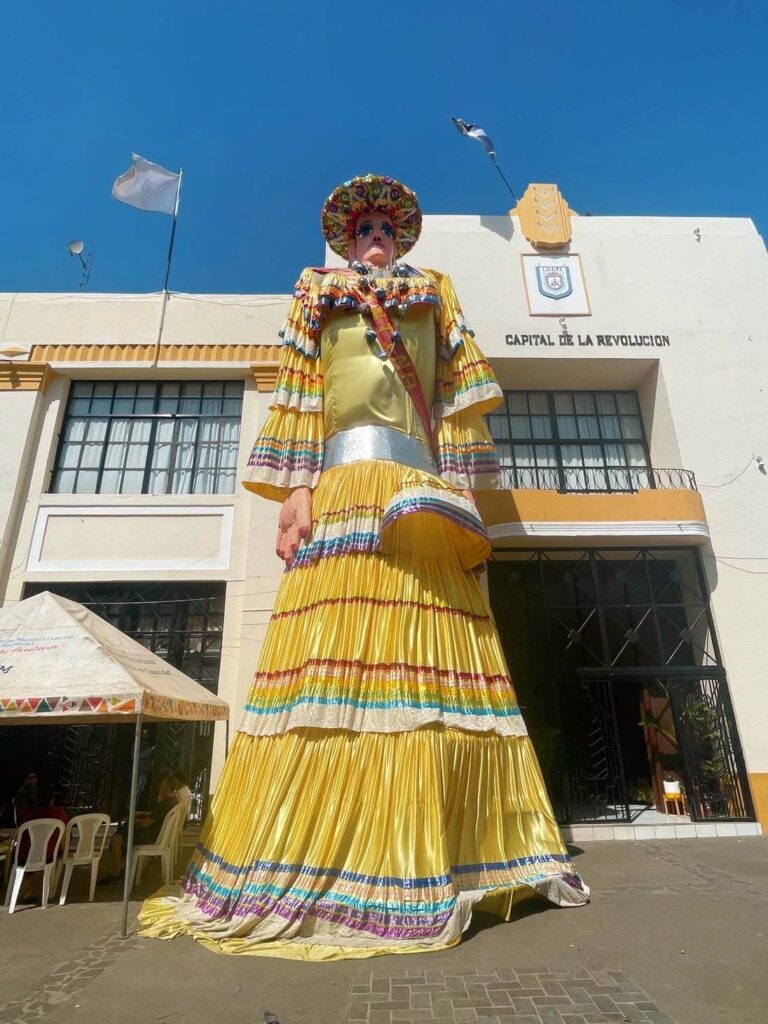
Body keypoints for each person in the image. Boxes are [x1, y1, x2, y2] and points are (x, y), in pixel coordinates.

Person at [140, 173, 588, 958]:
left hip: (417, 488)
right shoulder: (316, 296)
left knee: (426, 669)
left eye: (387, 225)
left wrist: (462, 499)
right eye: (363, 228)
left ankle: (436, 857)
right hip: (342, 488)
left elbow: (453, 400)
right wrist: (296, 493)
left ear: (402, 237)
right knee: (331, 673)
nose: (375, 234)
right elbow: (303, 395)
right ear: (347, 241)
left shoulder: (434, 294)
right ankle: (322, 858)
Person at [103, 775, 178, 883]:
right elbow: (155, 815)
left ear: (167, 786)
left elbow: (146, 823)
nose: (160, 787)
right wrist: (140, 814)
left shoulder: (165, 804)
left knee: (117, 839)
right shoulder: (172, 801)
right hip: (156, 833)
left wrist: (134, 820)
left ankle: (115, 874)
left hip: (151, 836)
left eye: (162, 784)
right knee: (122, 832)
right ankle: (118, 868)